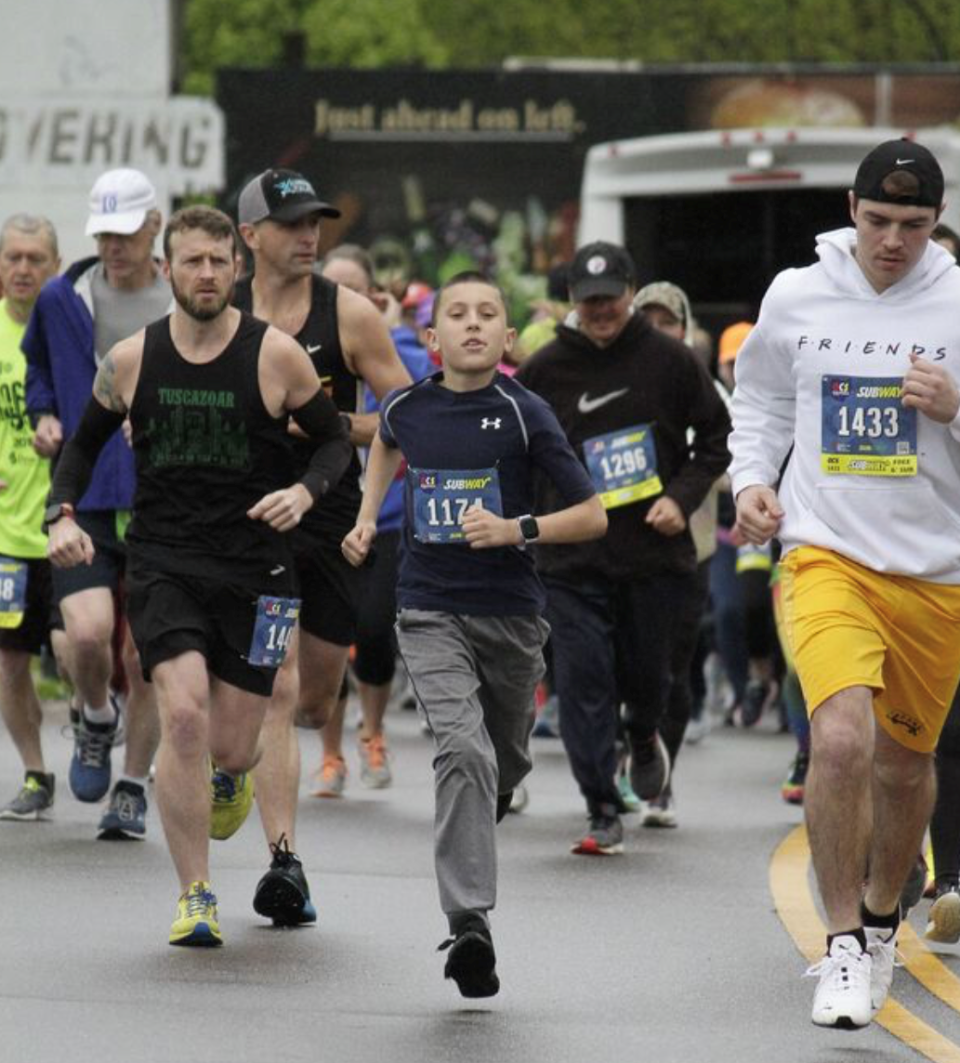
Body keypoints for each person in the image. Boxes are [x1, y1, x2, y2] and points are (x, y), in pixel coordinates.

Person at [45, 205, 351, 946]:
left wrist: (304, 491)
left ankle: (233, 772)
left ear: (236, 268)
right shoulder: (132, 359)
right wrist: (61, 515)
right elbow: (81, 447)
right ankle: (196, 892)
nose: (206, 274)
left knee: (235, 743)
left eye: (219, 261)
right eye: (192, 262)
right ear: (168, 269)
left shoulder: (276, 355)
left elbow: (336, 442)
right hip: (166, 562)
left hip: (256, 567)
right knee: (180, 712)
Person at [729, 138, 960, 1029]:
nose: (893, 240)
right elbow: (762, 402)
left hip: (936, 572)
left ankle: (880, 916)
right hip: (825, 553)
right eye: (877, 220)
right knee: (840, 741)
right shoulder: (798, 292)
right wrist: (754, 479)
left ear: (936, 221)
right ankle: (843, 946)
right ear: (851, 209)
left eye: (913, 224)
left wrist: (952, 408)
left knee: (906, 769)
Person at [342, 272, 607, 997]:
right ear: (432, 338)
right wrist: (368, 516)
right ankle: (469, 925)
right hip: (428, 608)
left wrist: (514, 528)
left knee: (501, 761)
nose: (472, 324)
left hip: (512, 616)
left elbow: (592, 514)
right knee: (461, 749)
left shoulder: (526, 415)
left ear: (508, 338)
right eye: (456, 314)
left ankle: (487, 797)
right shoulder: (408, 405)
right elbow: (384, 445)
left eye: (488, 314)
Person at [235, 169, 410, 924]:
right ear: (250, 237)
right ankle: (285, 862)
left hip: (330, 518)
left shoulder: (351, 315)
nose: (310, 236)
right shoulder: (222, 309)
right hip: (240, 521)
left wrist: (328, 425)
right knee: (270, 688)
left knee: (310, 699)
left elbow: (407, 416)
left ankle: (235, 758)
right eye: (292, 223)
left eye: (316, 223)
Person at [516, 242, 731, 855]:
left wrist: (681, 498)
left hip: (653, 556)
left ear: (631, 292)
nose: (601, 311)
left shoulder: (672, 359)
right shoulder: (547, 367)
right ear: (571, 304)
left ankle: (643, 736)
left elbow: (717, 438)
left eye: (610, 298)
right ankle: (601, 807)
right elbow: (516, 447)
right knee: (584, 683)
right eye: (588, 302)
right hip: (571, 562)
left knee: (648, 678)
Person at [23, 168, 170, 839]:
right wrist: (44, 414)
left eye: (126, 231)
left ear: (154, 226)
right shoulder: (63, 297)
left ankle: (133, 785)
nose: (114, 245)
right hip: (84, 493)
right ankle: (94, 715)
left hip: (165, 500)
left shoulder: (183, 301)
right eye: (103, 232)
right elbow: (41, 372)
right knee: (85, 632)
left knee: (145, 654)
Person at [320, 244, 434, 788]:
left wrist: (396, 329)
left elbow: (418, 400)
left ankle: (372, 732)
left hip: (386, 518)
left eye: (355, 290)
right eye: (333, 288)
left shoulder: (391, 344)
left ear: (372, 295)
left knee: (372, 629)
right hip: (326, 511)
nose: (343, 300)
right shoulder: (307, 346)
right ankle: (330, 753)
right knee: (326, 633)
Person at [0, 214, 62, 820]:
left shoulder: (68, 331)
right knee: (10, 659)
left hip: (69, 520)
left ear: (56, 268)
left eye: (34, 259)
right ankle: (36, 771)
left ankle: (98, 713)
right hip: (5, 534)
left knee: (79, 649)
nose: (22, 269)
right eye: (13, 257)